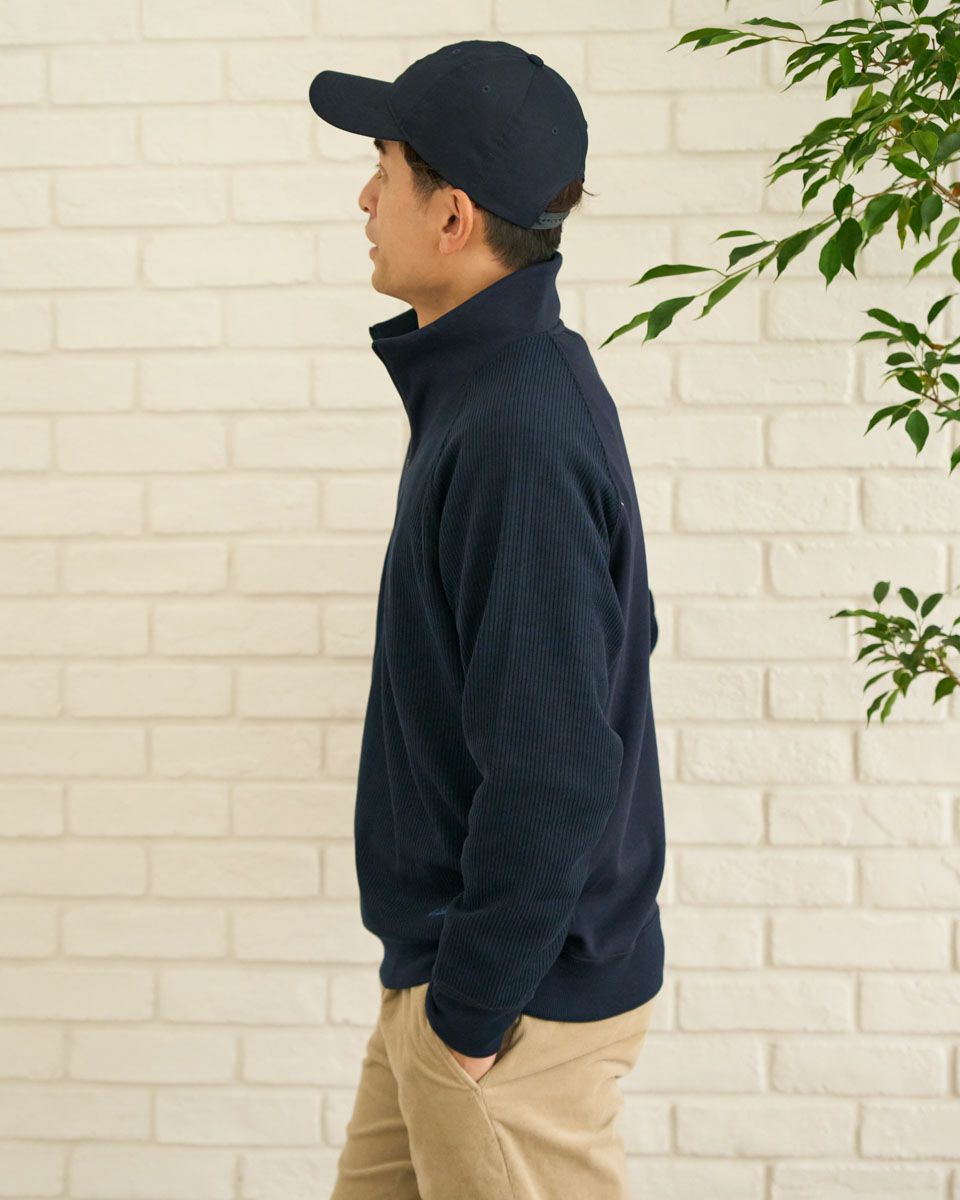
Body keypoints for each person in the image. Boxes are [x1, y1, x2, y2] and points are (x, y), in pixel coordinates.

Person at [310, 38, 665, 1200]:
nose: (366, 199)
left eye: (385, 171)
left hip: (508, 1016)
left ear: (452, 215)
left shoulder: (517, 428)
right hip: (458, 981)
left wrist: (466, 1021)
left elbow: (556, 768)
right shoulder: (492, 388)